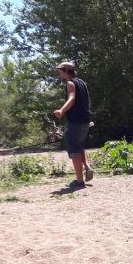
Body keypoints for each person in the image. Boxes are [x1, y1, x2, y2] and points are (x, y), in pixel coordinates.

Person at [52, 61, 94, 189]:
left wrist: (61, 111)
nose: (60, 75)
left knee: (74, 149)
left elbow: (71, 98)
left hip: (75, 121)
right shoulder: (82, 83)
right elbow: (88, 101)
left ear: (66, 71)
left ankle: (79, 181)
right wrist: (88, 117)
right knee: (79, 145)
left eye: (60, 72)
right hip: (85, 120)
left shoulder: (70, 83)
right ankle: (87, 166)